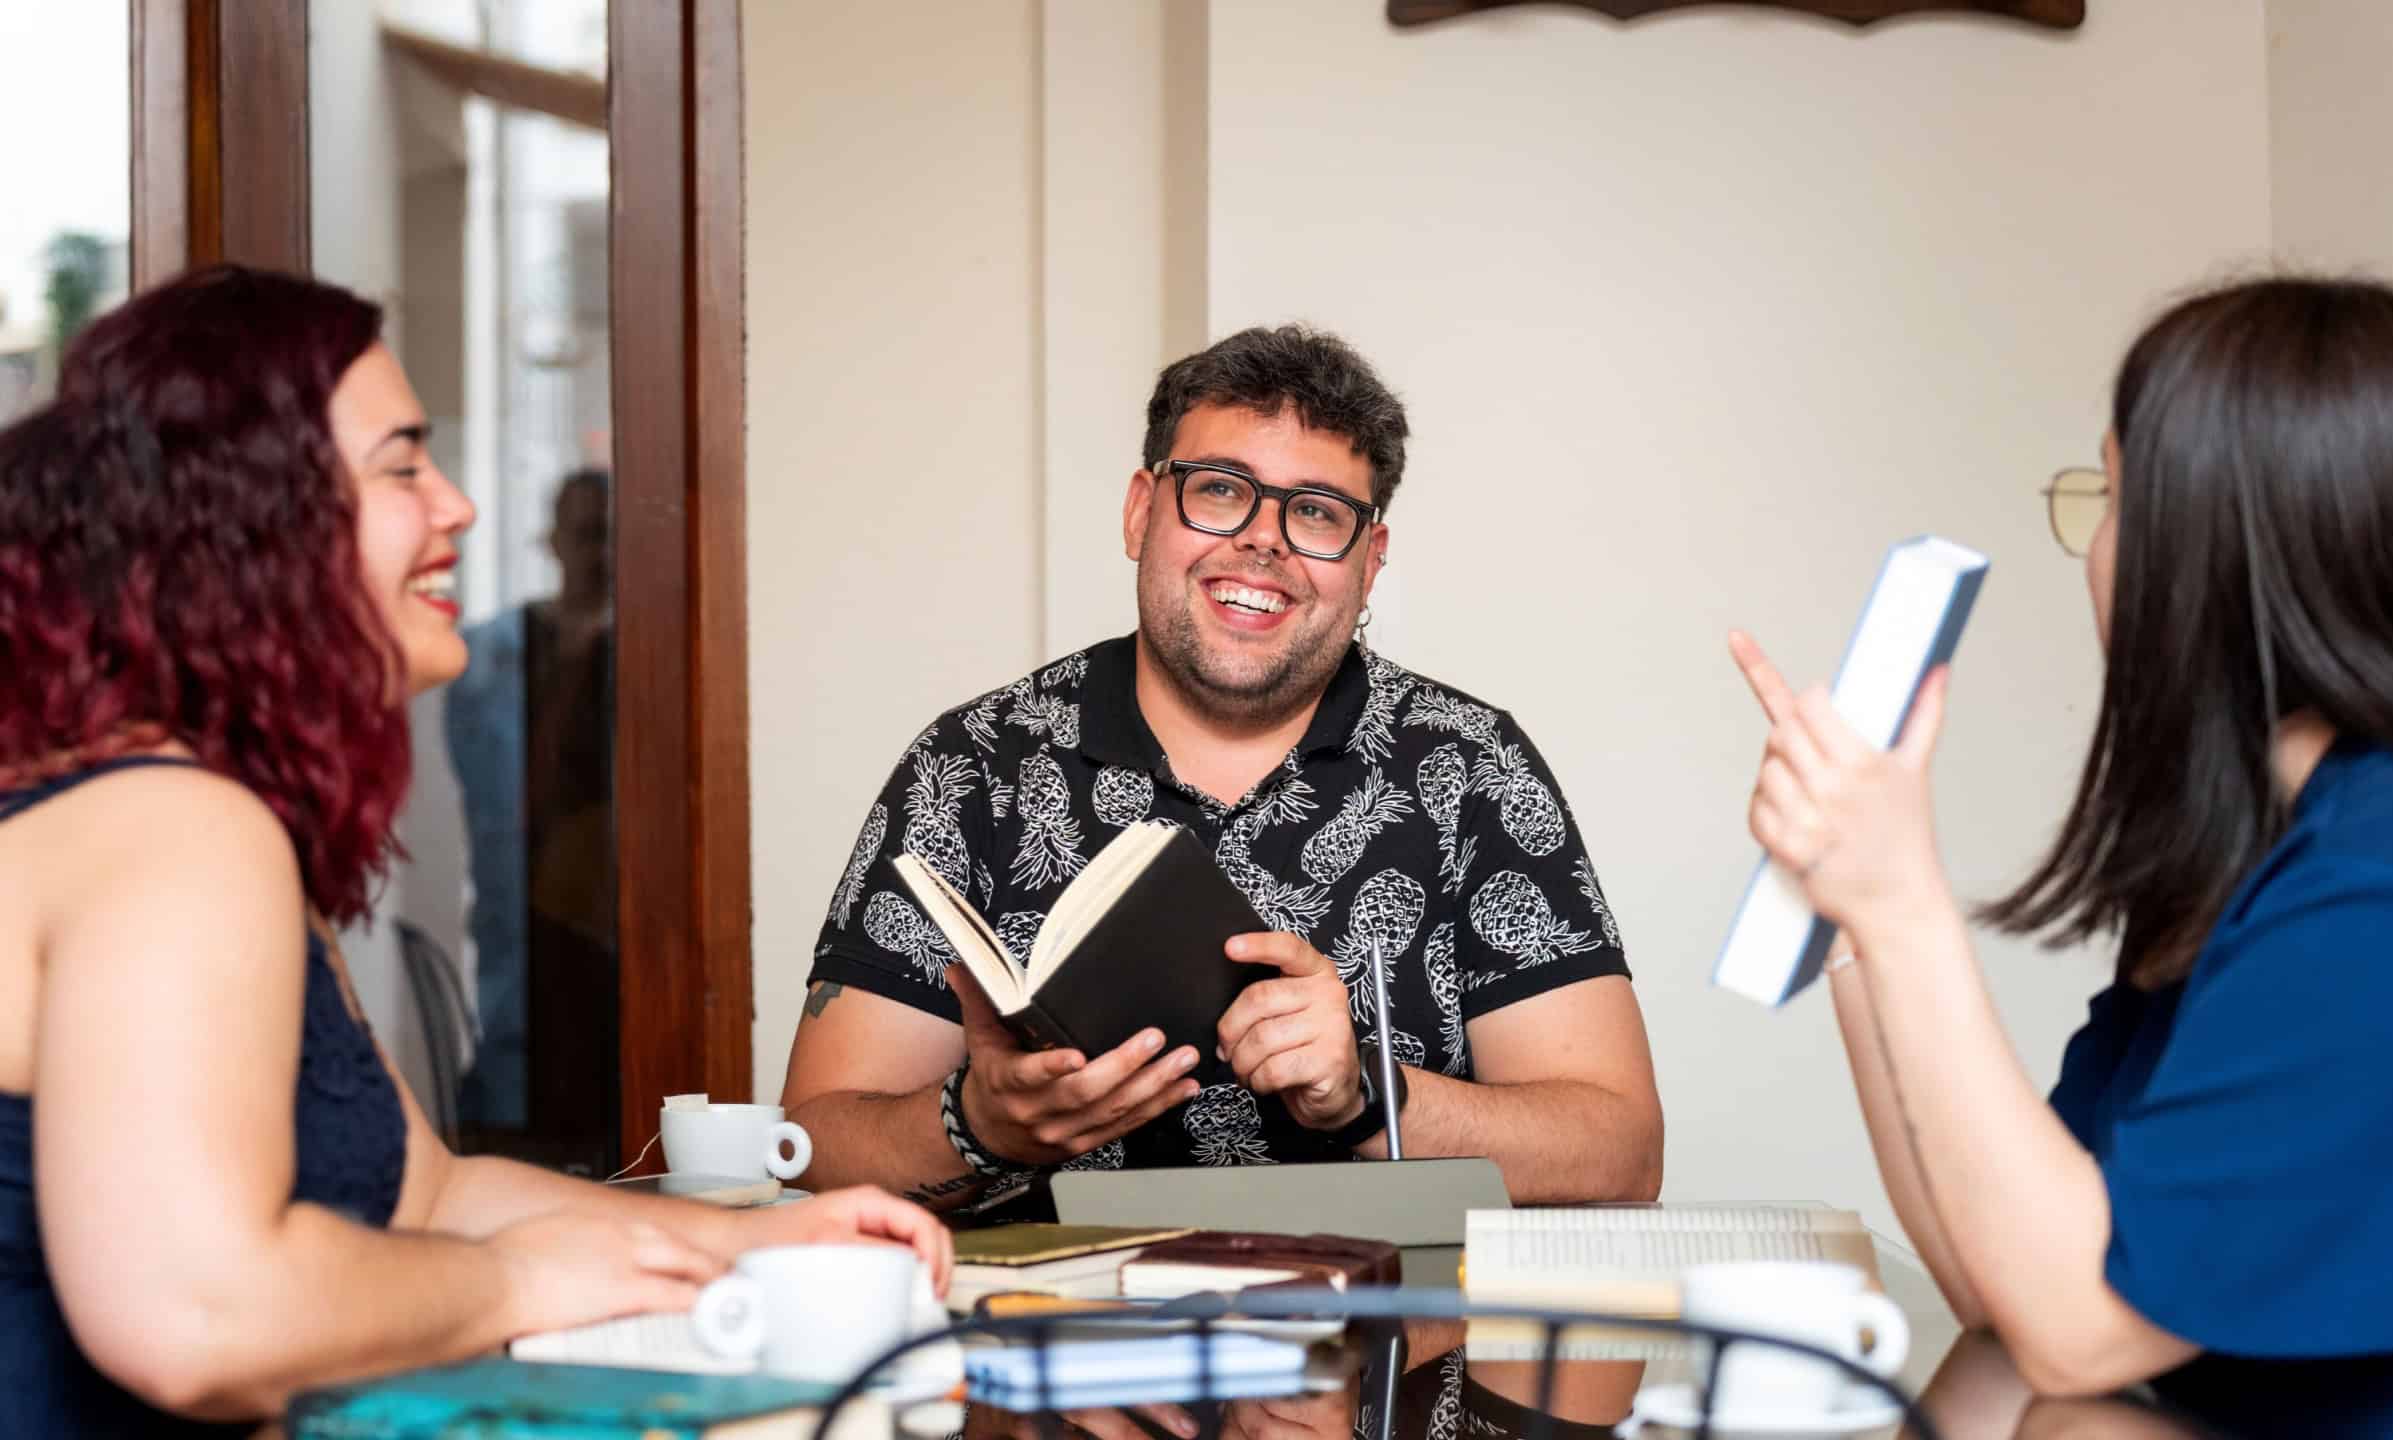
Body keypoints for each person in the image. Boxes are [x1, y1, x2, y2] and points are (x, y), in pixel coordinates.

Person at [0, 265, 950, 1432]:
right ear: (242, 517)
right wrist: (525, 1283)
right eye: (402, 465)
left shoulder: (195, 818)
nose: (456, 505)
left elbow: (429, 1193)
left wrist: (743, 1239)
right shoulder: (178, 829)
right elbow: (197, 1320)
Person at [1729, 277, 2393, 1435]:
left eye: (2112, 498)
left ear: (2217, 545)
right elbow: (1996, 1281)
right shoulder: (2270, 864)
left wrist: (1903, 901)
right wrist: (1852, 917)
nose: (2094, 552)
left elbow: (2078, 1325)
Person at [784, 325, 1662, 1213]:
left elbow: (1620, 1153)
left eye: (1317, 511)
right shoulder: (970, 764)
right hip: (1041, 1327)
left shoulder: (1471, 766)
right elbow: (812, 1143)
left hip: (1392, 1335)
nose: (1263, 543)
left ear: (1371, 563)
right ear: (1140, 511)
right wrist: (981, 1123)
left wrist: (1366, 1094)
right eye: (1218, 491)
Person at [445, 465, 617, 1149]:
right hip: (519, 896)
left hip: (606, 904)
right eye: (585, 535)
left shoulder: (649, 649)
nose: (599, 553)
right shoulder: (493, 654)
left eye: (609, 536)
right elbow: (478, 783)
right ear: (553, 541)